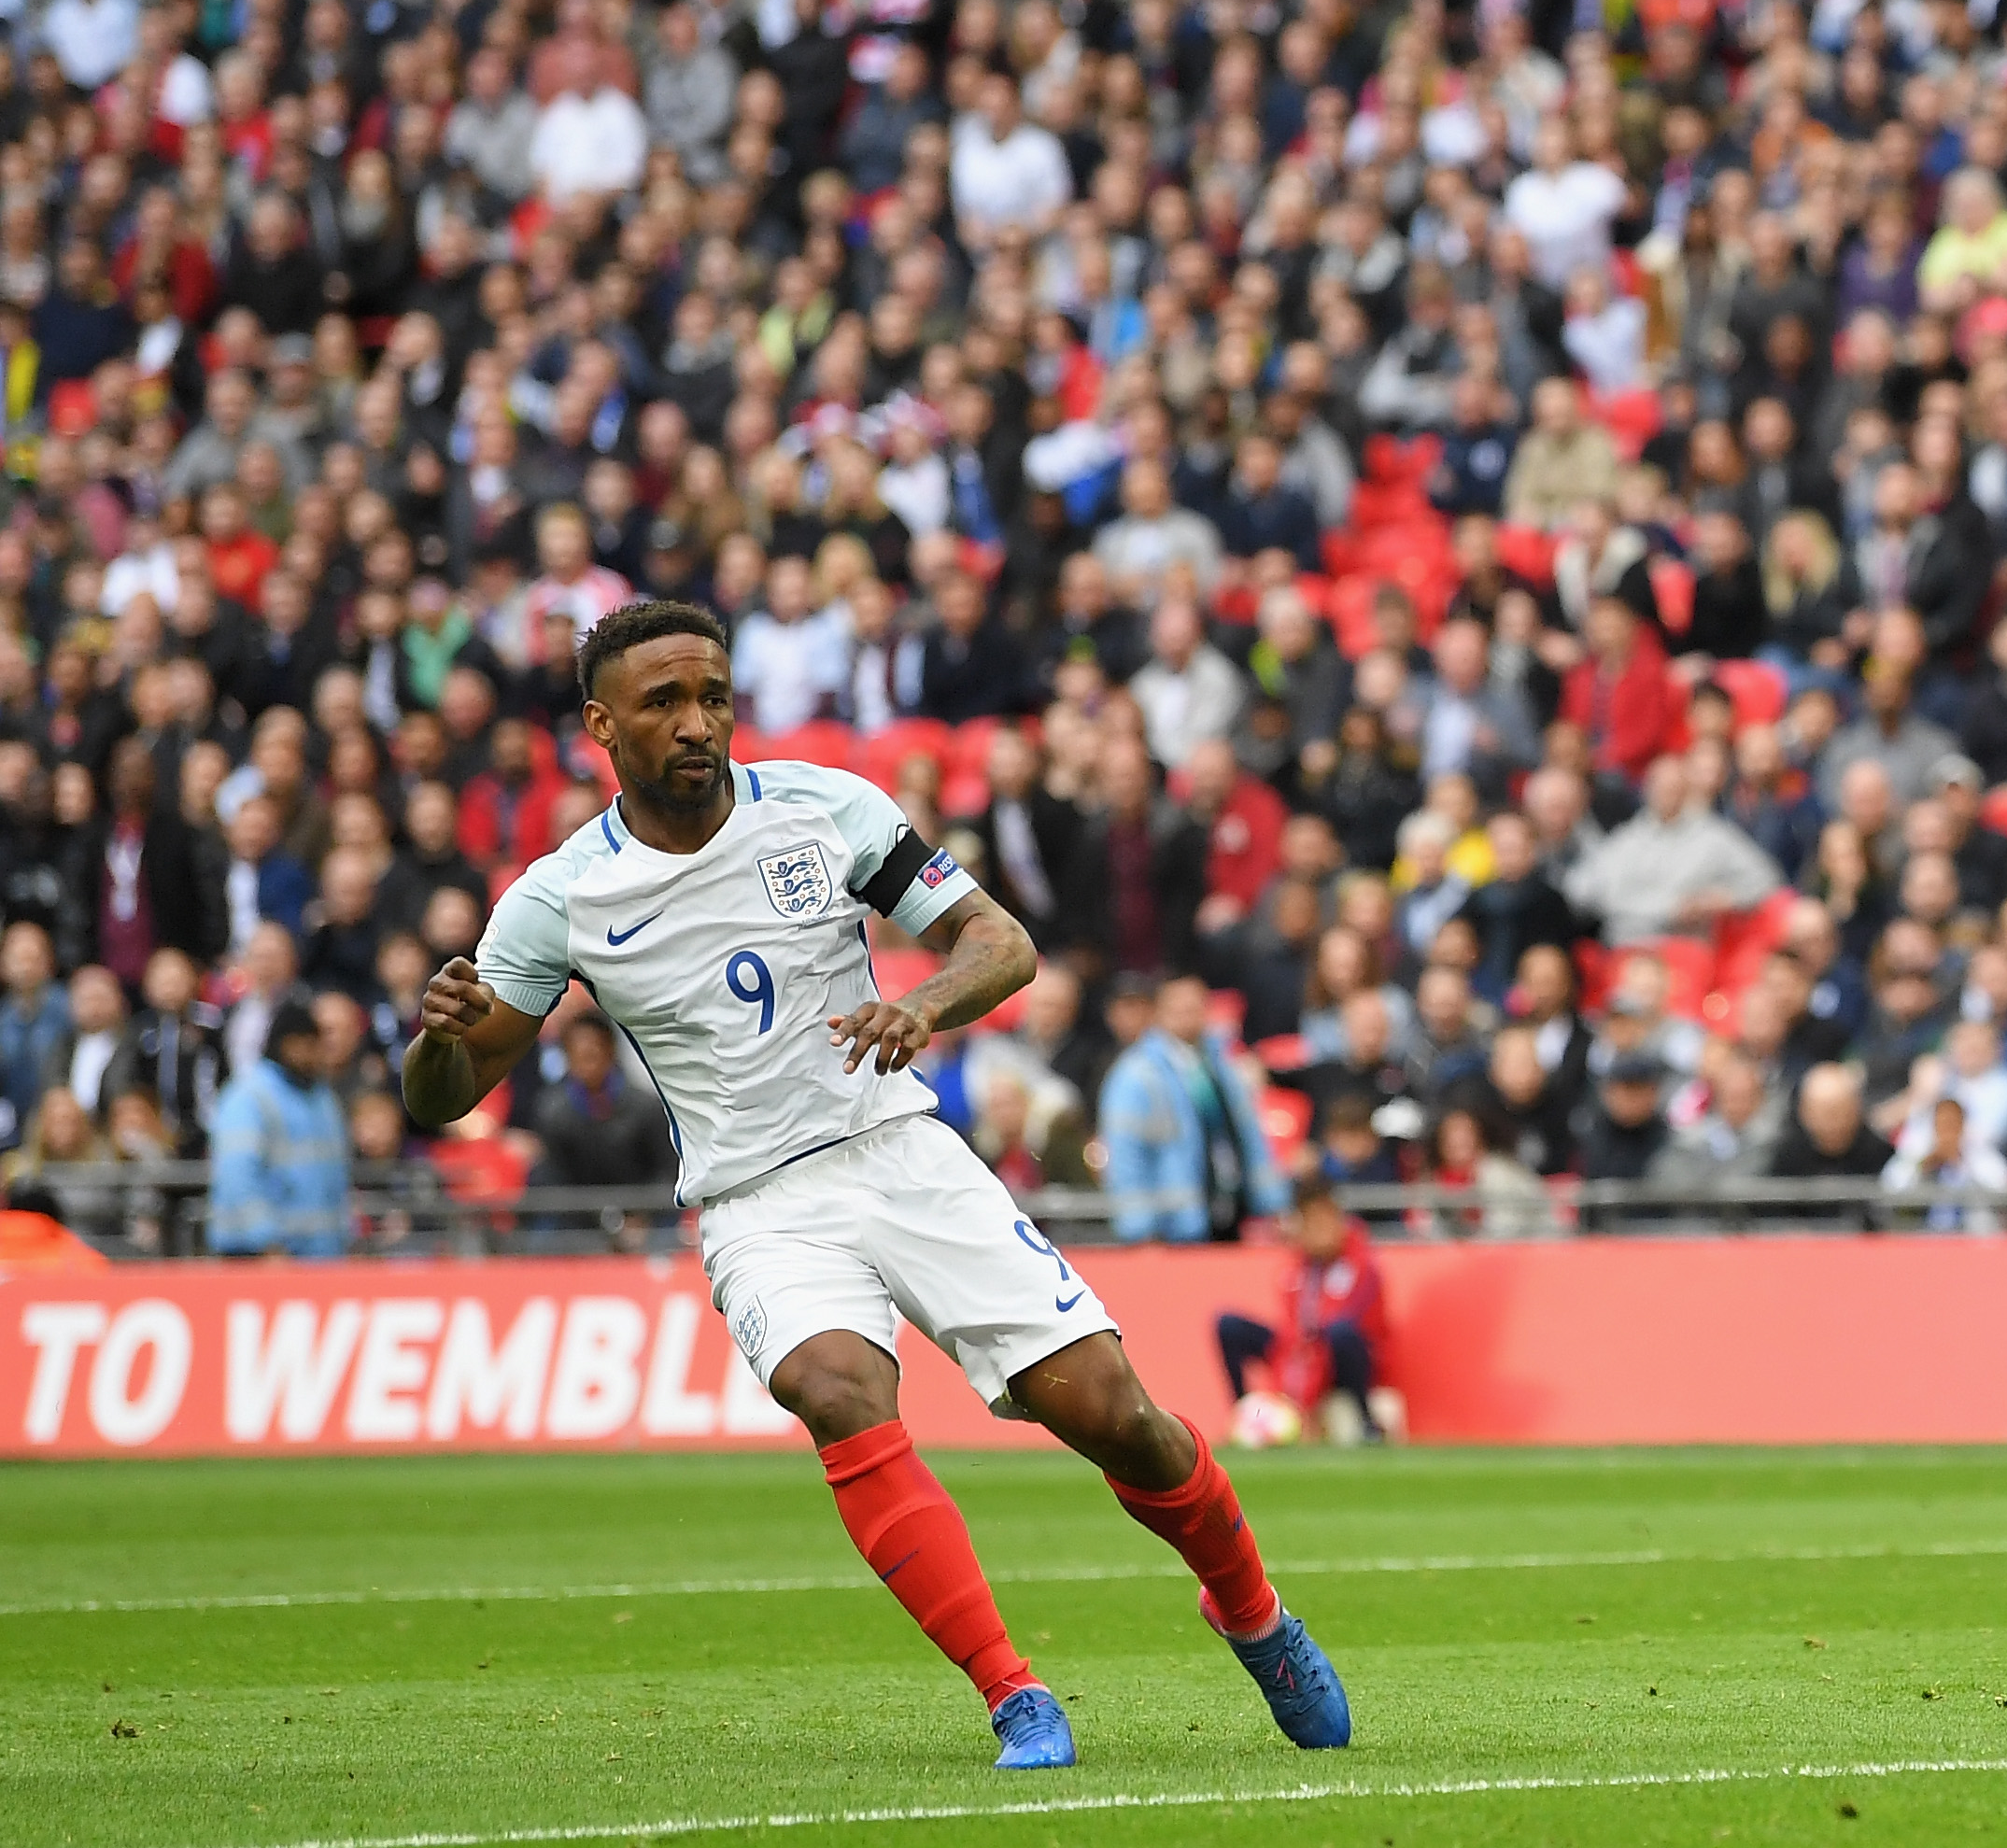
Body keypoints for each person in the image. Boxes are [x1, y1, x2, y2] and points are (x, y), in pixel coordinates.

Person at [406, 601, 1349, 1771]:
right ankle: (1016, 1694)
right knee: (834, 1387)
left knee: (1116, 1416)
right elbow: (448, 1091)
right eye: (663, 702)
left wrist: (923, 1003)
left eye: (712, 694)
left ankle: (1253, 1614)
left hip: (898, 1149)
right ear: (602, 724)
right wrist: (439, 1038)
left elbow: (1002, 943)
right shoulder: (560, 895)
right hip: (757, 1202)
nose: (697, 722)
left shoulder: (823, 805)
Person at [1100, 968, 1287, 1244]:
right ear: (1158, 1013)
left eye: (1195, 1007)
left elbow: (1250, 1138)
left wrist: (1272, 1204)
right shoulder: (1136, 1075)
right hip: (1173, 1228)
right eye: (1179, 1009)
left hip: (1233, 1215)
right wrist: (1139, 1229)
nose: (1189, 1016)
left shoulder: (1223, 1065)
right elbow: (1126, 1157)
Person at [1218, 1179, 1399, 1443]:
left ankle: (1366, 1421)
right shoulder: (1295, 1268)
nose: (1319, 1231)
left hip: (1345, 1359)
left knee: (1341, 1333)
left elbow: (1343, 1320)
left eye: (1325, 1221)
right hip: (1300, 1350)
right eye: (1311, 1222)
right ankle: (1245, 1414)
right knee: (1228, 1325)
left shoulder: (1363, 1264)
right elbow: (1293, 1324)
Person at [205, 992, 354, 1256]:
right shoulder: (248, 1097)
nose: (319, 1054)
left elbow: (336, 1177)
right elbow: (237, 1176)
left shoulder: (322, 1098)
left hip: (320, 1258)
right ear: (290, 1045)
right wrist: (265, 1243)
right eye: (312, 1044)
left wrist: (344, 1239)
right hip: (260, 1258)